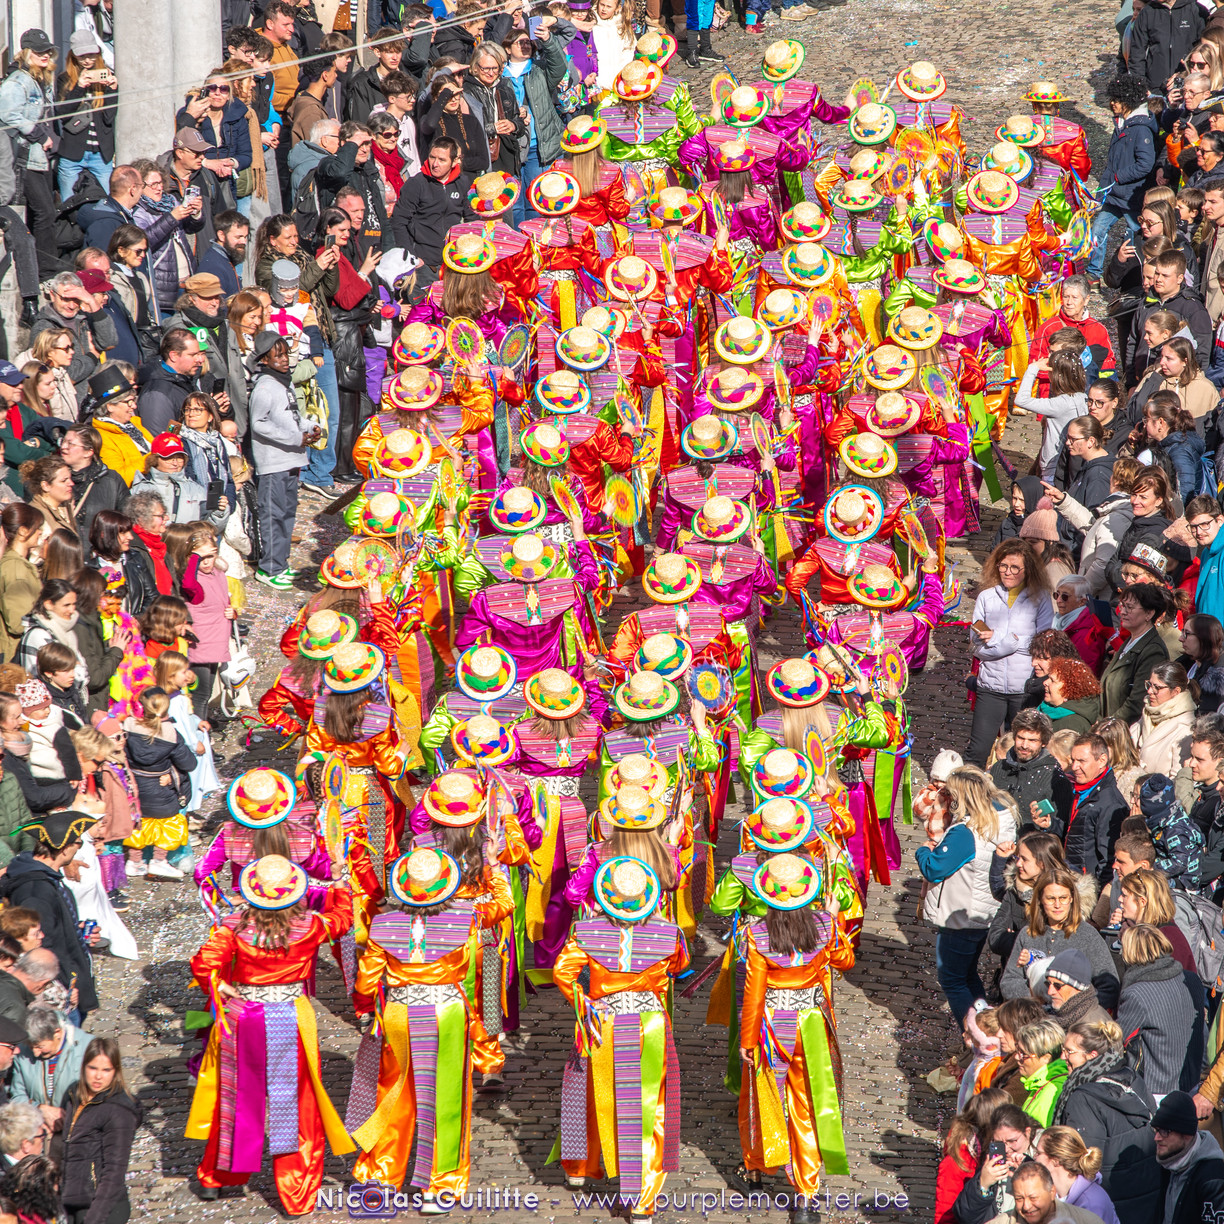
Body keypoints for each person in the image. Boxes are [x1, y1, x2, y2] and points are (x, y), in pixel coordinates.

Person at [917, 767, 1017, 1026]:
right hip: (984, 911)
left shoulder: (966, 832)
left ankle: (975, 1034)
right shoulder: (1003, 817)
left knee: (952, 979)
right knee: (968, 975)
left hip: (961, 915)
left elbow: (934, 868)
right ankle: (985, 1023)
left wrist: (924, 851)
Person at [1052, 1019, 1160, 1224]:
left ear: (1092, 1055)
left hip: (1105, 1202)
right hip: (1146, 1191)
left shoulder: (1083, 1097)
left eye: (1069, 1051)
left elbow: (1082, 1160)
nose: (1062, 1057)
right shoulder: (1130, 1076)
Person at [0, 813, 99, 1020]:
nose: (78, 849)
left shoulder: (44, 878)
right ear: (65, 848)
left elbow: (51, 927)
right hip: (59, 993)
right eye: (78, 843)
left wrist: (75, 929)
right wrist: (65, 987)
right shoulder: (35, 892)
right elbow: (38, 947)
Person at [967, 541, 1054, 767]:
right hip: (990, 686)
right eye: (1003, 566)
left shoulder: (1041, 598)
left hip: (1024, 689)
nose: (1008, 572)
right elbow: (976, 645)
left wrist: (1000, 639)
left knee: (1023, 752)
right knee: (977, 750)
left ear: (1028, 569)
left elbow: (1042, 643)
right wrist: (1009, 642)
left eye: (1015, 567)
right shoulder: (986, 597)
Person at [249, 333, 318, 590]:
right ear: (264, 360)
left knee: (287, 514)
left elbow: (293, 417)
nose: (285, 360)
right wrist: (295, 438)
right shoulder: (264, 387)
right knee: (273, 515)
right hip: (273, 462)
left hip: (291, 460)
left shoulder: (283, 383)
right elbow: (258, 423)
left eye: (285, 354)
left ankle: (280, 562)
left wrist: (309, 428)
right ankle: (269, 568)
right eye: (277, 356)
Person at [1086, 74, 1157, 286]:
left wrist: (1119, 177)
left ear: (1128, 101)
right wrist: (1102, 191)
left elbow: (1145, 164)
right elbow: (1112, 161)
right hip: (1114, 195)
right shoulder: (1122, 124)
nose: (1112, 103)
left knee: (1134, 238)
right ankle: (1093, 272)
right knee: (1097, 230)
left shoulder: (1141, 129)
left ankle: (1133, 275)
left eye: (1116, 100)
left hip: (1131, 197)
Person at [59, 1036, 140, 1224]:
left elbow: (114, 1174)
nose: (98, 1076)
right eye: (93, 1068)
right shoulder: (73, 1094)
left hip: (100, 1206)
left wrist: (94, 1219)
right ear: (83, 1067)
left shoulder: (119, 1111)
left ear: (115, 1071)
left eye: (106, 1070)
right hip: (70, 1199)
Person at [0, 32, 59, 279]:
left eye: (48, 51)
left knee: (41, 213)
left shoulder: (41, 81)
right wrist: (38, 134)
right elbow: (7, 112)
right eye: (39, 51)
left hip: (41, 159)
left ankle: (40, 268)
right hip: (25, 158)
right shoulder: (18, 81)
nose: (45, 55)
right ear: (26, 53)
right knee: (44, 212)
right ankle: (46, 272)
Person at [1116, 924, 1198, 1096]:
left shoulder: (1136, 994)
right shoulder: (1191, 980)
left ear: (1129, 953)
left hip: (1156, 1089)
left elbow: (1118, 1040)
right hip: (1191, 1082)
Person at [390, 137, 475, 284]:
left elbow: (472, 219)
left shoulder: (463, 182)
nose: (435, 164)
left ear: (454, 161)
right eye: (432, 157)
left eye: (442, 160)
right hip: (425, 264)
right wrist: (411, 257)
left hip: (456, 262)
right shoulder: (416, 184)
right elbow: (398, 221)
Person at [131, 160, 204, 315]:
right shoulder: (138, 211)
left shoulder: (170, 202)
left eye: (160, 183)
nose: (159, 188)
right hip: (163, 286)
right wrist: (171, 218)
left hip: (187, 281)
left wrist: (196, 213)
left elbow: (190, 228)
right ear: (139, 186)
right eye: (153, 184)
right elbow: (144, 241)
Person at [30, 274, 118, 400]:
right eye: (65, 299)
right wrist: (92, 356)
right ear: (53, 295)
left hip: (94, 400)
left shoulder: (85, 319)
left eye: (76, 299)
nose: (71, 305)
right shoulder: (44, 328)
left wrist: (92, 303)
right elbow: (66, 376)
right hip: (67, 402)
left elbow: (110, 342)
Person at [54, 30, 117, 200]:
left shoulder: (105, 77)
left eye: (91, 55)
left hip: (100, 154)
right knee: (68, 204)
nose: (87, 60)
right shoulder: (65, 79)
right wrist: (79, 87)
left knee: (106, 203)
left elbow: (109, 118)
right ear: (73, 56)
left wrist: (112, 90)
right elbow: (62, 114)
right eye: (82, 56)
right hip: (72, 153)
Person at [1100, 586, 1172, 724]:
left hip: (1125, 731)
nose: (1123, 612)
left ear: (1149, 614)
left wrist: (1107, 726)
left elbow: (1137, 703)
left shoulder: (1153, 651)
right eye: (1122, 606)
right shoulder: (1130, 642)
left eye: (1130, 607)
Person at [1150, 1091, 1224, 1224]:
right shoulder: (1168, 1164)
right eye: (1156, 1129)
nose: (1157, 1138)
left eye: (1165, 1131)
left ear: (1186, 1134)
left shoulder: (1213, 1178)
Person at [131, 433, 228, 529]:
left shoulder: (196, 490)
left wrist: (219, 512)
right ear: (155, 460)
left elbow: (210, 528)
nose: (175, 463)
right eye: (168, 458)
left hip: (190, 539)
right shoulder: (141, 489)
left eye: (179, 458)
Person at [59, 425, 128, 554]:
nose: (63, 447)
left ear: (88, 452)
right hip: (64, 554)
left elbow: (126, 520)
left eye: (70, 444)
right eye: (63, 441)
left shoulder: (111, 480)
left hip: (99, 555)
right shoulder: (53, 479)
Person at [1035, 1126, 1121, 1224]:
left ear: (1056, 1160)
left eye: (1038, 1153)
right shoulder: (1051, 1193)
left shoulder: (1091, 1203)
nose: (1034, 1157)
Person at [87, 370, 151, 490]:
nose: (134, 406)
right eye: (128, 402)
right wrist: (151, 459)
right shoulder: (102, 437)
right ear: (110, 406)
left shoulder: (134, 424)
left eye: (134, 400)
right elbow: (119, 478)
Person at [137, 329, 206, 437]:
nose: (200, 359)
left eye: (200, 354)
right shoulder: (157, 394)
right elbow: (162, 439)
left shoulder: (182, 381)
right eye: (193, 355)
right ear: (173, 355)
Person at [1131, 662, 1195, 775]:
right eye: (1149, 684)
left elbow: (1178, 778)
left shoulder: (1186, 727)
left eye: (1157, 687)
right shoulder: (1147, 713)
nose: (1149, 691)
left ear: (1176, 691)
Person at [1009, 1162, 1116, 1224]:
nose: (1026, 1206)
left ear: (1052, 1192)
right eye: (1019, 1199)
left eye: (1033, 1198)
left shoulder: (1086, 1221)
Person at [78, 166, 141, 254]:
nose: (142, 191)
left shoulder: (123, 215)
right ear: (133, 189)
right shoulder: (105, 225)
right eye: (142, 185)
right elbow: (103, 260)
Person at [193, 211, 249, 299]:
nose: (244, 242)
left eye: (245, 237)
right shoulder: (213, 268)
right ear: (221, 235)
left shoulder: (226, 259)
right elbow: (214, 305)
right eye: (238, 237)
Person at [1039, 658, 1102, 735]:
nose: (1045, 682)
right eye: (1048, 678)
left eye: (1052, 680)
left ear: (1069, 690)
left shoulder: (1072, 724)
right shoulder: (1046, 708)